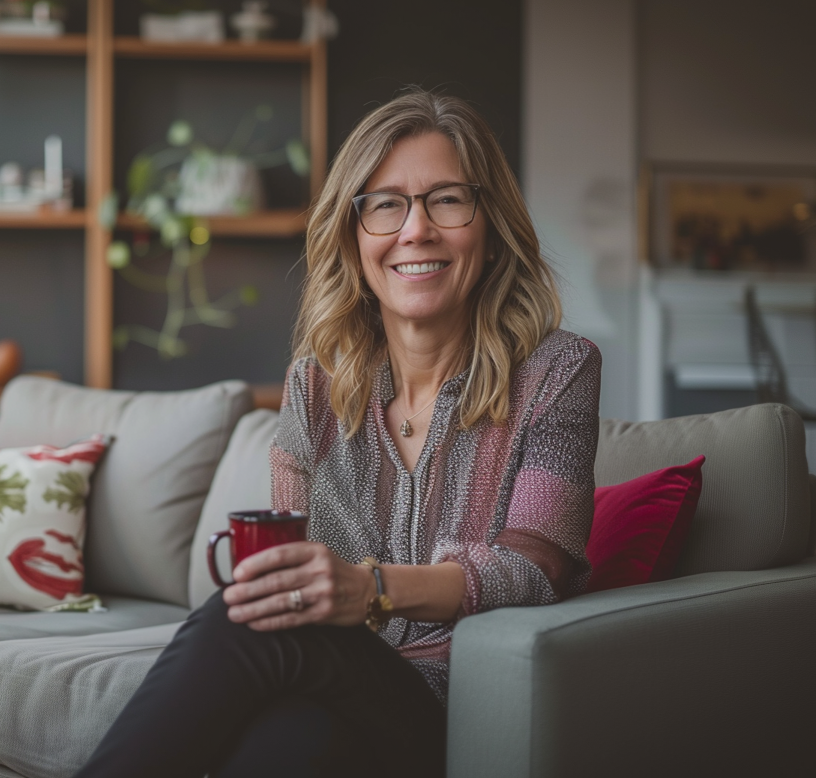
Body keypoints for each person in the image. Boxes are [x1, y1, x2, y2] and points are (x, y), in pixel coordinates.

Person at [73, 89, 601, 778]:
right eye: (385, 204)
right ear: (354, 238)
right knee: (275, 746)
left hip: (454, 703)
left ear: (491, 225)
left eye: (446, 199)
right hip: (331, 687)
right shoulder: (313, 387)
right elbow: (295, 580)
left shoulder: (558, 370)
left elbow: (538, 568)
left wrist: (370, 587)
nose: (415, 230)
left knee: (236, 622)